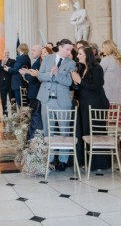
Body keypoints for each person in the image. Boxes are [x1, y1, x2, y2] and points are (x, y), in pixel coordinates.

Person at [37, 39, 76, 171]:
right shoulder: (47, 59)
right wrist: (50, 74)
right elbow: (40, 76)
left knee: (64, 130)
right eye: (67, 49)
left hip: (63, 101)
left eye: (71, 50)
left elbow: (69, 82)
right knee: (48, 130)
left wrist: (57, 74)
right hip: (46, 99)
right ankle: (51, 158)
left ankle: (63, 160)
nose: (69, 52)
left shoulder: (71, 63)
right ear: (60, 47)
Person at [71, 46, 110, 171]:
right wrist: (75, 82)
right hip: (84, 103)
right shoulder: (82, 68)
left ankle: (99, 163)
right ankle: (87, 161)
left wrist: (79, 81)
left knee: (96, 132)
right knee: (86, 131)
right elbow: (81, 86)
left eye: (80, 54)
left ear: (87, 55)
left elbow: (96, 86)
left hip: (96, 103)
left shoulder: (97, 68)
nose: (78, 56)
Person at [7, 43, 31, 108]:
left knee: (20, 104)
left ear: (20, 49)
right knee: (23, 103)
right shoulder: (27, 57)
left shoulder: (21, 58)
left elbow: (15, 70)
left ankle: (22, 117)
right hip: (23, 82)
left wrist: (8, 69)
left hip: (18, 83)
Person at [0, 49, 15, 116]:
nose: (6, 54)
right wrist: (2, 64)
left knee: (12, 99)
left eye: (8, 52)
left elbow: (13, 70)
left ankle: (14, 114)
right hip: (2, 84)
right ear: (3, 53)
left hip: (10, 83)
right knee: (3, 100)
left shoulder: (12, 61)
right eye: (5, 52)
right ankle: (5, 114)